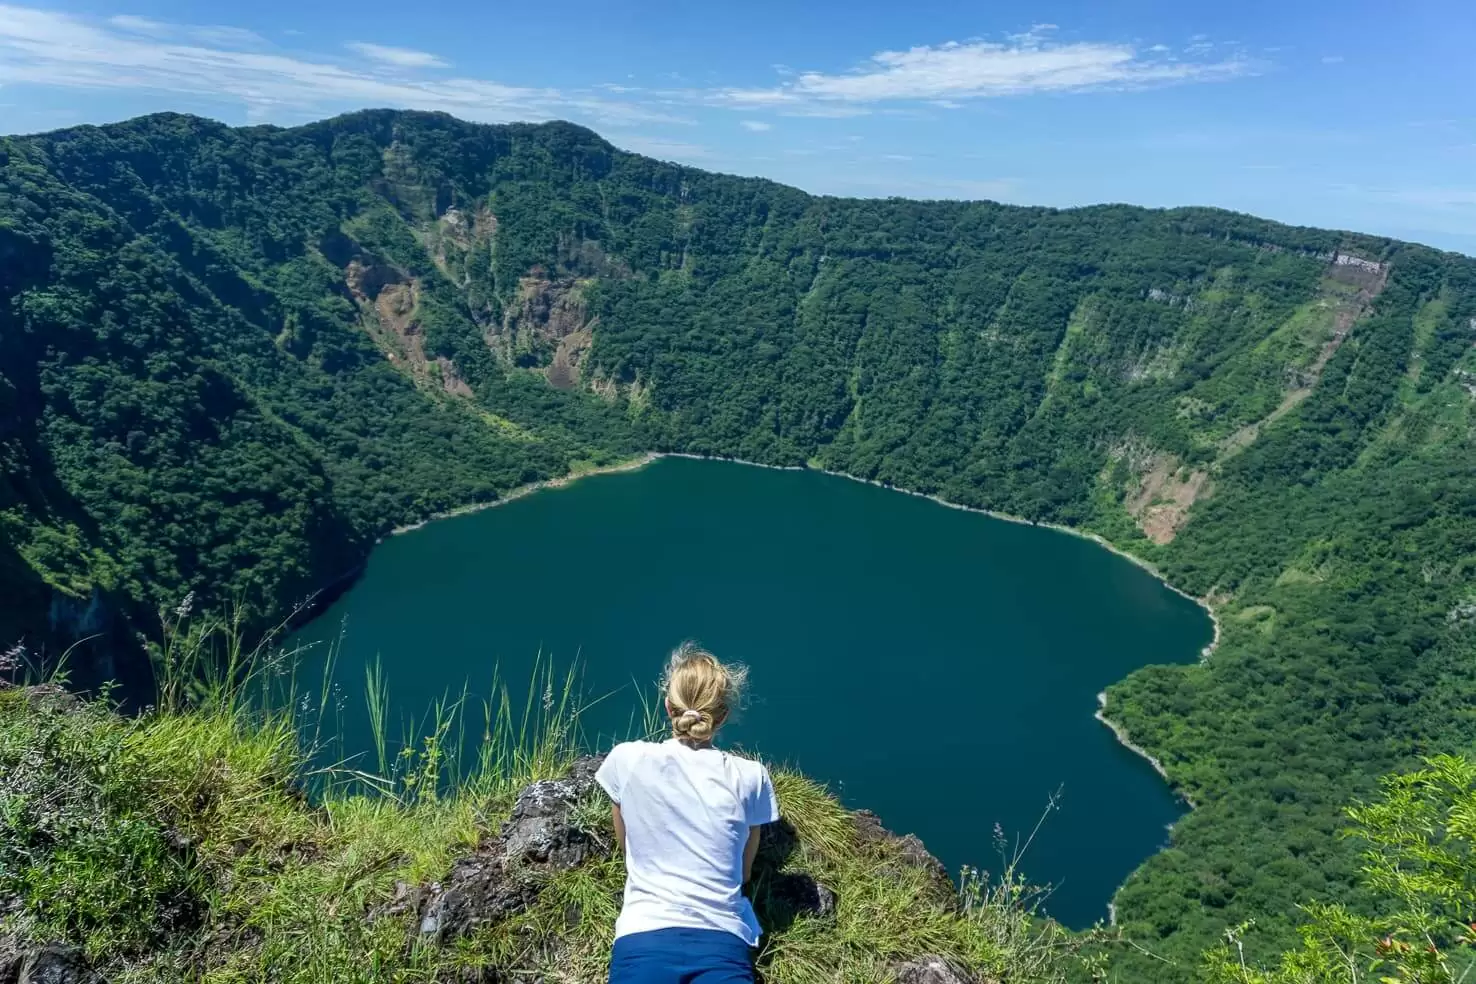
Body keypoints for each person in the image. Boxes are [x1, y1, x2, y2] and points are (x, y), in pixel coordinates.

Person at [595, 643, 780, 984]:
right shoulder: (751, 776)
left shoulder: (627, 759)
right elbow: (744, 871)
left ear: (668, 706)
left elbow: (625, 842)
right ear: (722, 716)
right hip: (723, 941)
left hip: (641, 936)